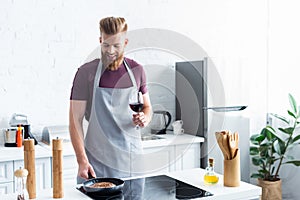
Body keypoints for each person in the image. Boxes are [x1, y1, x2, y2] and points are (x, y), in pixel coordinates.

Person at [69, 16, 152, 183]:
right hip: (97, 164)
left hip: (132, 164)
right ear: (100, 40)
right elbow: (74, 120)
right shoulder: (86, 72)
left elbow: (147, 107)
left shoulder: (137, 70)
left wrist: (145, 118)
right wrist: (82, 160)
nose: (111, 51)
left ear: (126, 43)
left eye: (117, 45)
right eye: (106, 45)